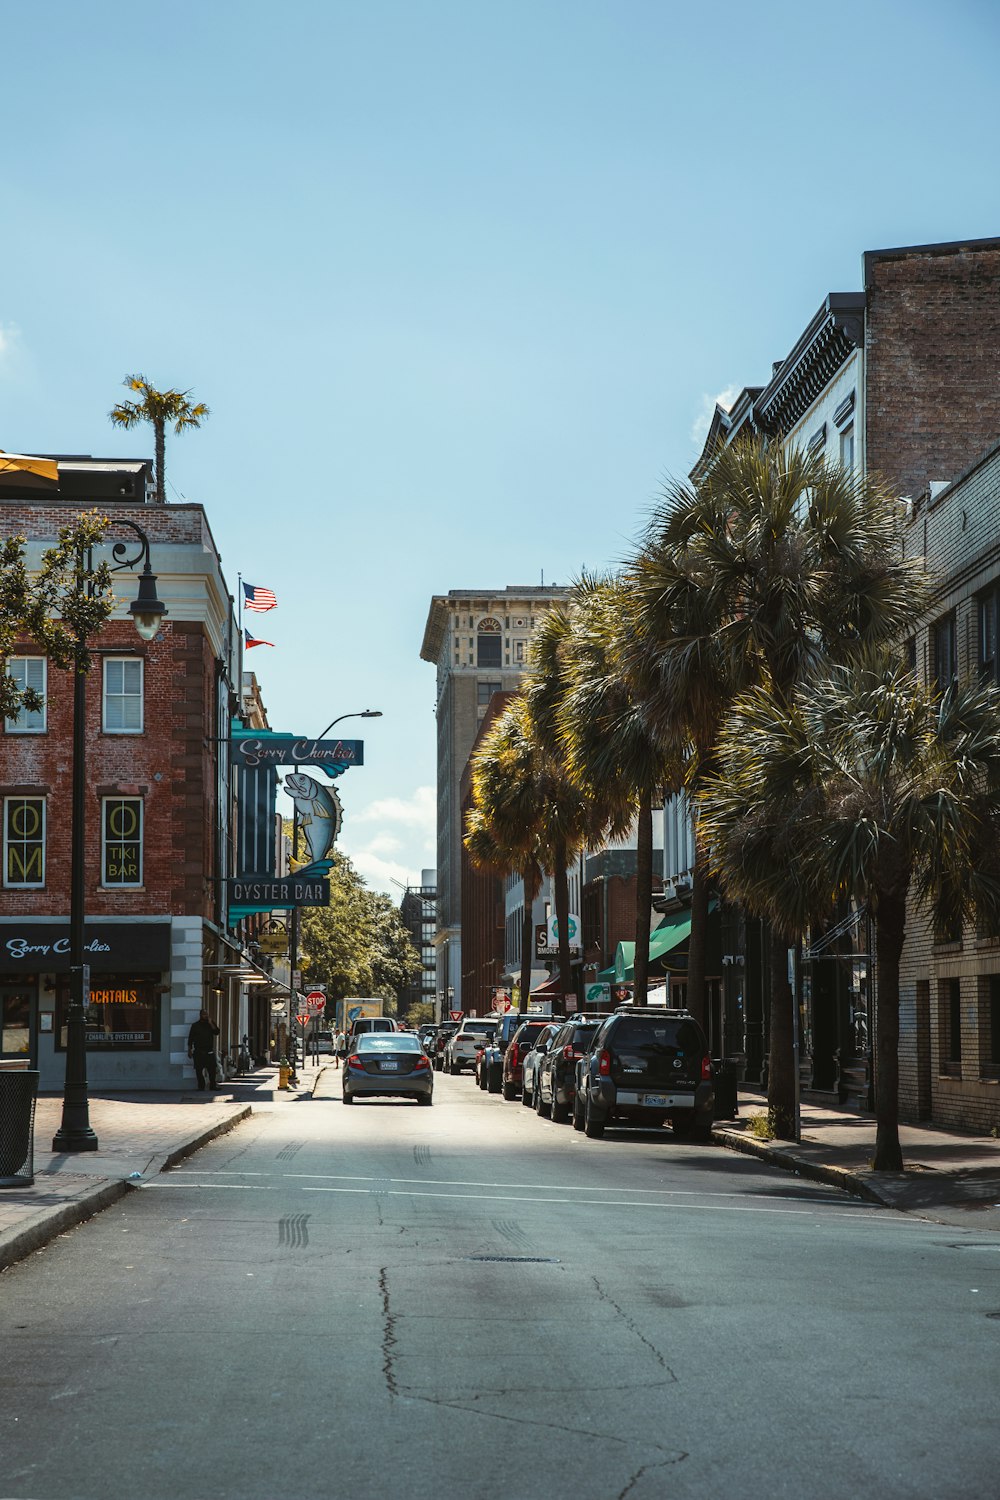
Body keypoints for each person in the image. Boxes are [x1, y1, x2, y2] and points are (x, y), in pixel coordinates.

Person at [188, 1009, 221, 1090]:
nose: (205, 1016)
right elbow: (190, 1038)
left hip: (209, 1050)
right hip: (199, 1051)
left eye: (206, 1014)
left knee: (212, 1070)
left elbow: (217, 1032)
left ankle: (212, 1085)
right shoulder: (195, 1026)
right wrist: (189, 1050)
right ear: (200, 1015)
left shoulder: (210, 1024)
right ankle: (201, 1086)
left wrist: (210, 1023)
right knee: (198, 1070)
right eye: (204, 1014)